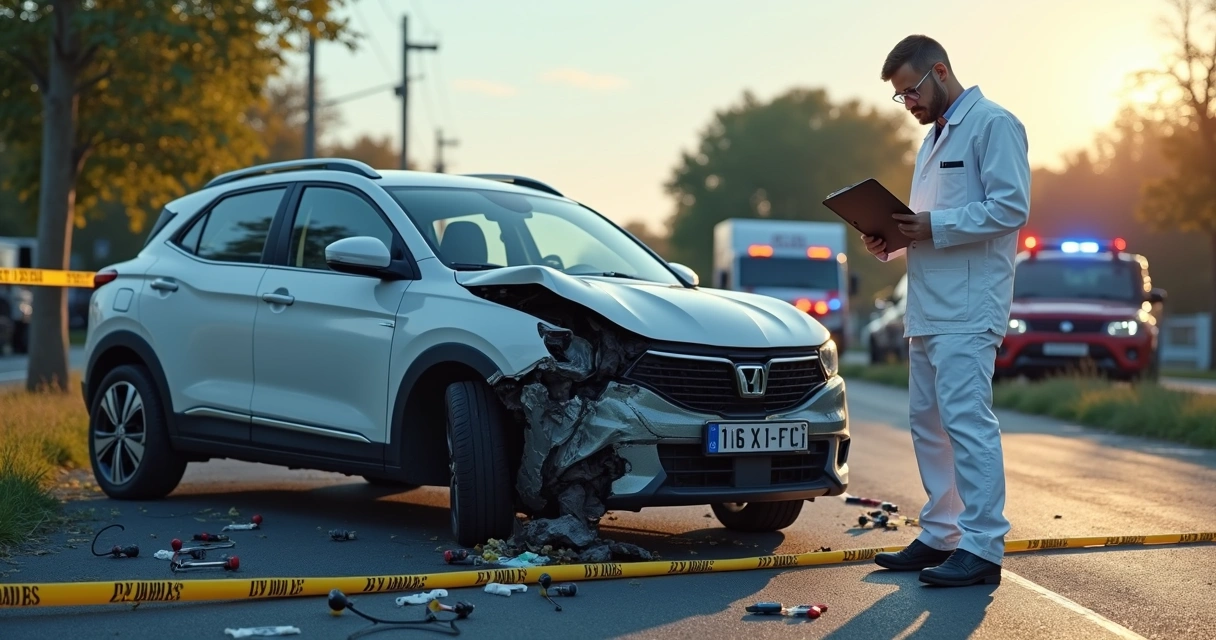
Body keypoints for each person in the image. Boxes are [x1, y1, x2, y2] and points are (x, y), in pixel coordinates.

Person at [864, 34, 1031, 587]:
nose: (907, 103)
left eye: (910, 91)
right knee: (929, 426)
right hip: (929, 306)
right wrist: (892, 237)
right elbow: (928, 221)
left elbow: (1011, 207)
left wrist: (932, 226)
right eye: (900, 97)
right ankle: (942, 533)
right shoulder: (930, 141)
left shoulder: (994, 124)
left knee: (966, 423)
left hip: (970, 303)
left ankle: (982, 549)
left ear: (939, 71)